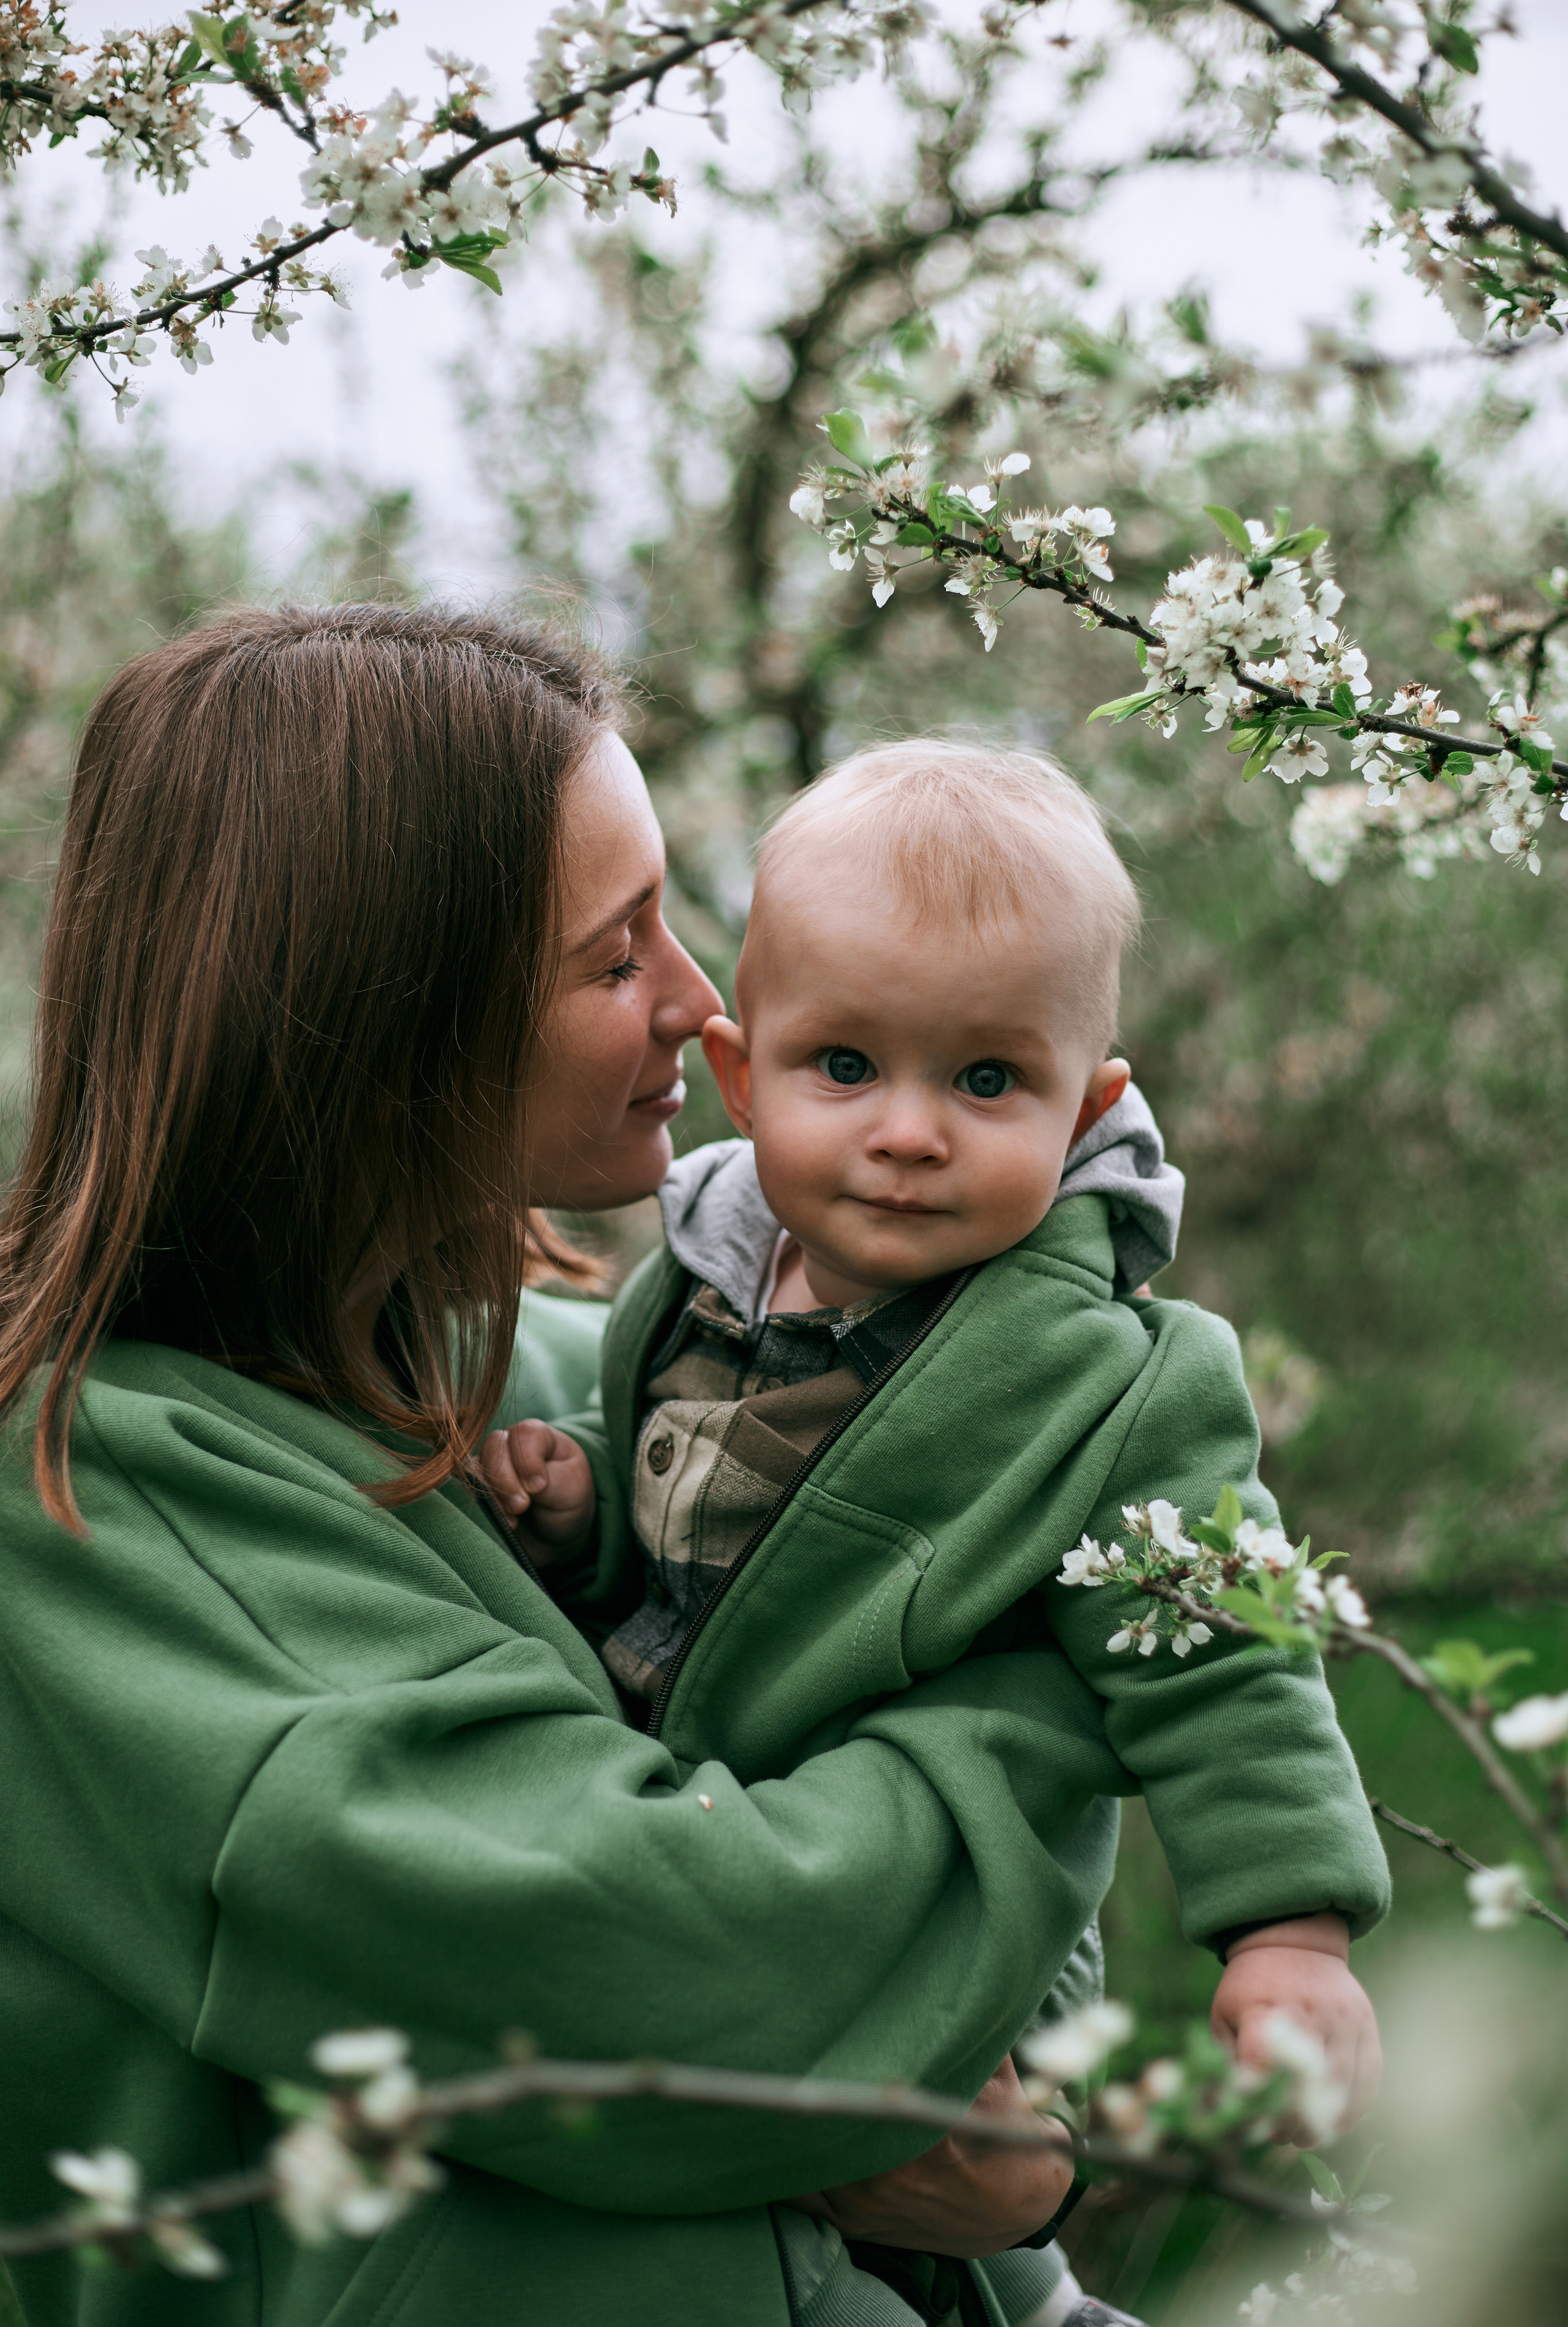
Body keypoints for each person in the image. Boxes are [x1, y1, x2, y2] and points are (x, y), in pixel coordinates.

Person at [0, 616, 1109, 2327]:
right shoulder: (86, 1499)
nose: (701, 997)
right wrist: (1052, 1688)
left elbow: (965, 2036)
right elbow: (686, 1980)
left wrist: (1010, 2137)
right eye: (614, 958)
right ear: (380, 1020)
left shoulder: (586, 1391)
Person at [481, 743, 1392, 2308]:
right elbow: (675, 1491)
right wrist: (573, 1513)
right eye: (845, 1067)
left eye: (985, 1082)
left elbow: (1223, 1653)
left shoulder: (1113, 1377)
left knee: (926, 2243)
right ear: (742, 1069)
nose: (907, 1133)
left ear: (1088, 1100)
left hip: (954, 1950)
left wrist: (1287, 1933)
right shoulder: (695, 1278)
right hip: (706, 1867)